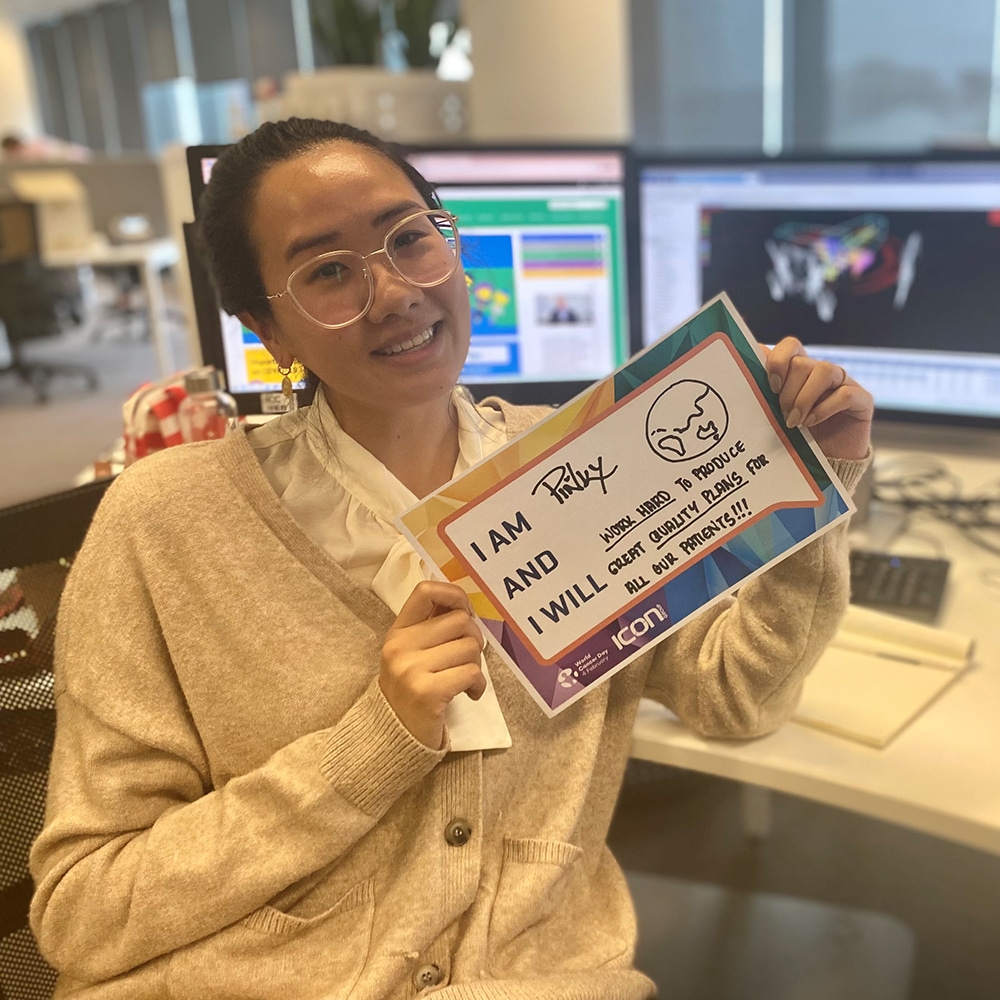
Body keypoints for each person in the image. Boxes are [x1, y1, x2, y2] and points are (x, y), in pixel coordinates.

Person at [29, 118, 874, 999]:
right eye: (328, 271)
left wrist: (813, 480)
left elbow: (738, 696)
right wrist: (371, 745)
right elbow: (87, 913)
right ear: (266, 330)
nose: (396, 293)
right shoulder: (165, 522)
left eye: (410, 239)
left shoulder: (583, 477)